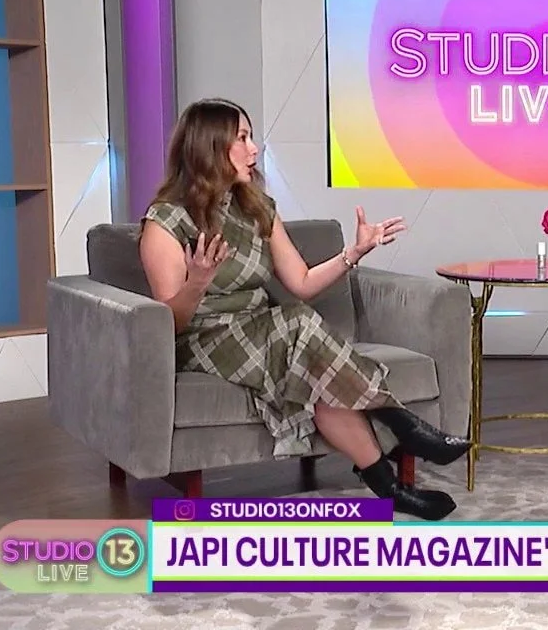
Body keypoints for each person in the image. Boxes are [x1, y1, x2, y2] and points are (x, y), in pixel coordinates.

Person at [138, 98, 470, 521]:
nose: (254, 148)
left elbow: (302, 282)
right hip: (204, 337)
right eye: (242, 138)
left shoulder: (257, 208)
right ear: (210, 145)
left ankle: (391, 492)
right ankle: (400, 421)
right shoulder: (166, 222)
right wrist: (198, 282)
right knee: (296, 322)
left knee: (318, 376)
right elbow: (169, 323)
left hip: (261, 328)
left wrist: (354, 253)